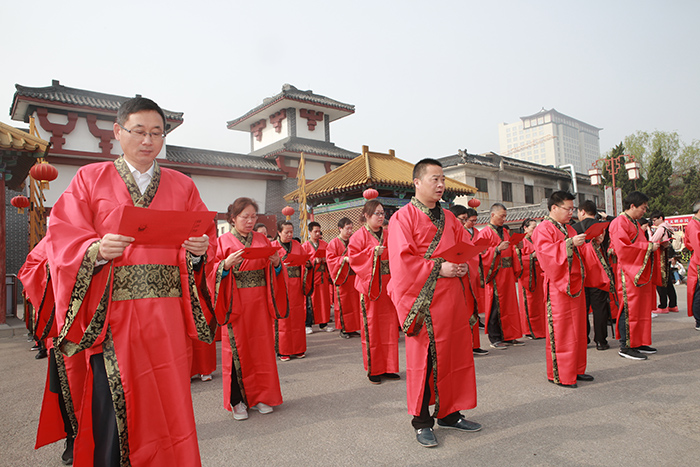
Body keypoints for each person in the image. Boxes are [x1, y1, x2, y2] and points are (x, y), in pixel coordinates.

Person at [44, 97, 217, 466]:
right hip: (113, 320)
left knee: (169, 404)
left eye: (157, 133)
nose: (148, 141)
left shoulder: (182, 185)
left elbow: (205, 240)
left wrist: (199, 249)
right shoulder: (90, 179)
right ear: (118, 132)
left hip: (166, 318)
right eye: (139, 131)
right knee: (113, 408)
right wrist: (95, 248)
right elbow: (61, 239)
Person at [387, 158, 481, 448]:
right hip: (424, 302)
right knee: (425, 361)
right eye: (434, 179)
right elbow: (402, 264)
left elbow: (461, 251)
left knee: (454, 355)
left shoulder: (451, 218)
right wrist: (439, 268)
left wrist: (464, 265)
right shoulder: (402, 218)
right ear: (417, 183)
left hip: (451, 298)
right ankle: (422, 421)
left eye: (443, 180)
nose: (441, 185)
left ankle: (450, 413)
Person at [213, 197, 288, 421]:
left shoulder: (262, 240)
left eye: (253, 216)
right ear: (233, 218)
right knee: (236, 351)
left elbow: (274, 269)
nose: (249, 221)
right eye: (244, 216)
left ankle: (262, 396)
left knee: (261, 350)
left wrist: (275, 263)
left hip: (259, 302)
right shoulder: (222, 241)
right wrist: (224, 266)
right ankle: (238, 401)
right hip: (235, 303)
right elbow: (211, 271)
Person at [18, 238, 84, 465]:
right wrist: (55, 266)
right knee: (68, 388)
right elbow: (28, 270)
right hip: (66, 328)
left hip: (105, 324)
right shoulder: (56, 235)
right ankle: (73, 438)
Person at [532, 191, 592, 388]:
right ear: (554, 208)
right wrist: (568, 244)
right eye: (568, 209)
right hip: (558, 286)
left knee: (578, 330)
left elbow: (581, 252)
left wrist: (591, 243)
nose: (571, 213)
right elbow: (545, 255)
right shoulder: (543, 229)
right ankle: (560, 373)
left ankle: (576, 369)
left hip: (574, 283)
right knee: (562, 331)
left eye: (572, 209)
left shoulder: (568, 229)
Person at [348, 201, 400, 384]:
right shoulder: (358, 236)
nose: (381, 216)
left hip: (387, 286)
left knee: (389, 328)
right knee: (372, 328)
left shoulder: (388, 234)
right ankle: (374, 368)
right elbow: (354, 259)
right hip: (370, 287)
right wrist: (372, 253)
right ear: (367, 215)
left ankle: (390, 366)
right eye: (376, 213)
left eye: (382, 213)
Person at [608, 191, 661, 360]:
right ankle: (626, 345)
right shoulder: (619, 222)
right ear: (632, 206)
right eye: (643, 208)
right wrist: (647, 248)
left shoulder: (633, 222)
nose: (645, 212)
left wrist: (651, 247)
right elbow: (623, 248)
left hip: (638, 270)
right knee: (629, 308)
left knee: (641, 309)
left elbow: (637, 244)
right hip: (629, 272)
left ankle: (638, 341)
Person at [480, 203, 523, 349]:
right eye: (502, 216)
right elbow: (481, 254)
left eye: (505, 216)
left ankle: (509, 335)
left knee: (509, 305)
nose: (504, 219)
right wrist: (497, 249)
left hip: (507, 272)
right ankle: (495, 338)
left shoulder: (505, 232)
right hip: (495, 273)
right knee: (495, 307)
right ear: (492, 215)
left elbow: (511, 249)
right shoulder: (485, 233)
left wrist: (516, 248)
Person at [574, 200, 613, 350]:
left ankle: (584, 339)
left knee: (582, 309)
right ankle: (601, 341)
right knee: (600, 308)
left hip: (581, 273)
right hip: (597, 273)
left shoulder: (573, 228)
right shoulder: (601, 227)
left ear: (582, 211)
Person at [449, 205, 488, 355]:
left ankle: (472, 344)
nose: (465, 223)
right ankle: (461, 347)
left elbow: (469, 253)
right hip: (452, 278)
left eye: (467, 219)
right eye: (463, 219)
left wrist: (476, 253)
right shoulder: (447, 233)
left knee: (469, 310)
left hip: (466, 276)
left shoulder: (464, 233)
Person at [272, 221, 309, 360]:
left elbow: (305, 261)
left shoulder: (297, 245)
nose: (289, 235)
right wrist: (279, 265)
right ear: (279, 232)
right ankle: (284, 349)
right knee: (284, 319)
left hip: (296, 286)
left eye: (291, 232)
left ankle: (298, 348)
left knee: (298, 318)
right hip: (281, 285)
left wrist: (307, 264)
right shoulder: (273, 247)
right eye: (286, 232)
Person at [326, 218, 362, 339]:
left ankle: (353, 328)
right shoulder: (333, 243)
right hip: (342, 277)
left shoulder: (353, 241)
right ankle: (344, 328)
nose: (350, 231)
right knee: (344, 304)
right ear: (340, 228)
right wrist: (343, 259)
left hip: (353, 277)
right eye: (347, 228)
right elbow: (330, 260)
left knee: (355, 304)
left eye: (351, 228)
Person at [515, 218, 547, 340]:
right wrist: (531, 257)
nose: (535, 231)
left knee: (540, 303)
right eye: (533, 228)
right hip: (528, 276)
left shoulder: (537, 240)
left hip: (539, 275)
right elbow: (518, 260)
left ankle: (541, 328)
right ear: (525, 228)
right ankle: (529, 329)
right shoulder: (521, 242)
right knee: (530, 303)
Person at [302, 222, 335, 332]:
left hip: (323, 276)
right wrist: (313, 261)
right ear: (310, 232)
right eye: (315, 231)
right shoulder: (305, 246)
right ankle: (308, 324)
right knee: (311, 301)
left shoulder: (325, 244)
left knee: (324, 300)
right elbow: (303, 261)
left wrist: (326, 260)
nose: (317, 233)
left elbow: (330, 257)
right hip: (312, 277)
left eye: (318, 231)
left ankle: (323, 323)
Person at [650, 211, 678, 313]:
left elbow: (653, 240)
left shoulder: (661, 228)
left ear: (660, 218)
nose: (654, 223)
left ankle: (663, 306)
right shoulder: (668, 227)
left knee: (660, 281)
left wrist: (649, 232)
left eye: (654, 220)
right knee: (668, 282)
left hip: (660, 257)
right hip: (667, 256)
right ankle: (673, 305)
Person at [684, 201, 700, 331]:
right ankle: (699, 320)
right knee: (698, 291)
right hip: (698, 262)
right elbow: (696, 245)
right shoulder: (693, 225)